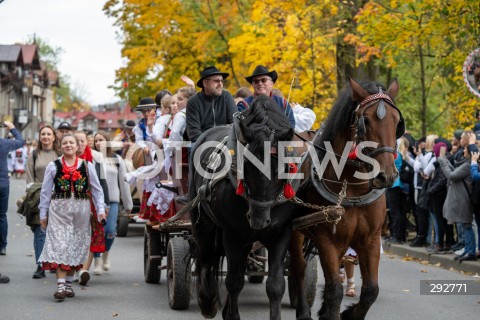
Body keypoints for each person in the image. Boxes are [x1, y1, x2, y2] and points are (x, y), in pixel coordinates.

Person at [38, 133, 106, 300]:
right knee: (60, 245)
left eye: (71, 143)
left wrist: (101, 209)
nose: (68, 145)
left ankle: (68, 284)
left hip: (81, 212)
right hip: (59, 212)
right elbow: (45, 193)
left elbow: (97, 190)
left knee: (76, 245)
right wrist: (42, 214)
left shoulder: (88, 165)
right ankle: (61, 285)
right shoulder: (53, 166)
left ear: (77, 147)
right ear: (60, 147)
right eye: (65, 143)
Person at [93, 131, 133, 273]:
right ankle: (97, 261)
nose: (98, 143)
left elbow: (124, 182)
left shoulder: (117, 159)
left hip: (113, 200)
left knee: (110, 231)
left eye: (101, 140)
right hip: (96, 202)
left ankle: (106, 253)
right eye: (96, 140)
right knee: (97, 232)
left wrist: (128, 205)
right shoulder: (92, 159)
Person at [74, 130, 110, 284]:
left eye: (82, 141)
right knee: (74, 237)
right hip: (71, 202)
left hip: (91, 203)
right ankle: (75, 267)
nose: (80, 144)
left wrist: (104, 204)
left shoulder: (96, 158)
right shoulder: (65, 159)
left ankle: (83, 270)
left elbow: (101, 183)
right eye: (77, 141)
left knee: (89, 236)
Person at [25, 125, 60, 279]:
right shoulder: (34, 155)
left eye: (48, 134)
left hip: (59, 197)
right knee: (40, 231)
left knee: (57, 232)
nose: (46, 136)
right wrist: (32, 193)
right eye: (43, 134)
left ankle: (54, 262)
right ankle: (40, 265)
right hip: (40, 197)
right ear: (40, 137)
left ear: (53, 137)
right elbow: (29, 178)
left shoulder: (59, 153)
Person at [438, 140, 477, 262]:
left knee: (466, 225)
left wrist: (442, 161)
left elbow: (452, 175)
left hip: (464, 199)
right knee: (463, 225)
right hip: (460, 198)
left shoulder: (467, 165)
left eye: (465, 149)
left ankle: (470, 251)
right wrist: (444, 160)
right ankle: (467, 249)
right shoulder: (465, 163)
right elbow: (454, 171)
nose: (463, 150)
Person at [185, 66, 237, 143]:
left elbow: (235, 124)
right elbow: (194, 133)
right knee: (193, 150)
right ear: (205, 83)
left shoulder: (227, 96)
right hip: (201, 143)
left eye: (222, 81)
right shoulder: (193, 102)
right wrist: (211, 143)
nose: (220, 84)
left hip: (226, 140)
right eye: (217, 81)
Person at [0, 121, 24, 255]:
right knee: (2, 216)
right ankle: (2, 246)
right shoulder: (4, 143)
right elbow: (21, 141)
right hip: (3, 183)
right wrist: (12, 127)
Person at [386, 138, 409, 244]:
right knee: (400, 212)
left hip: (394, 185)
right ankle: (401, 235)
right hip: (398, 185)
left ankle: (397, 236)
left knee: (395, 212)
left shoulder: (395, 155)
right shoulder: (399, 154)